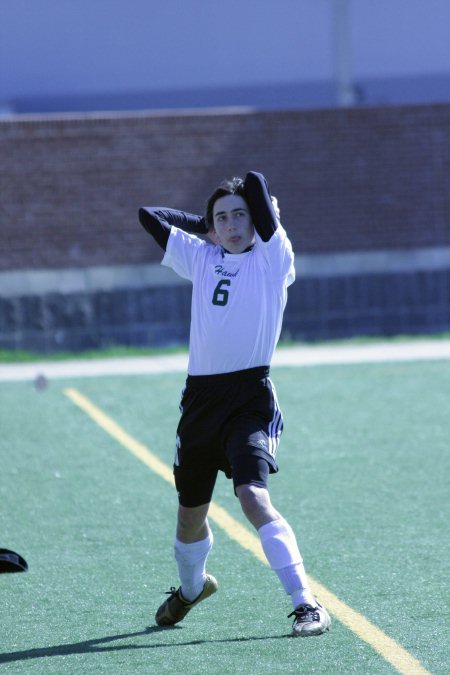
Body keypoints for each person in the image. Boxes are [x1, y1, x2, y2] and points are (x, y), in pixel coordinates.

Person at [138, 171, 330, 637]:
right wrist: (206, 223)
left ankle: (307, 603)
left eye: (239, 215)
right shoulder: (203, 256)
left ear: (261, 219)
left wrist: (252, 204)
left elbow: (256, 182)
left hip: (248, 399)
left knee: (252, 496)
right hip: (200, 403)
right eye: (221, 218)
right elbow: (150, 217)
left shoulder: (272, 257)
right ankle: (190, 590)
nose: (230, 225)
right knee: (190, 517)